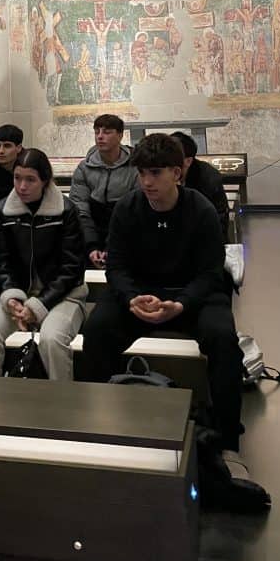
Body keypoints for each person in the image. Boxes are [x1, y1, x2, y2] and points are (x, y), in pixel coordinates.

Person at [80, 134, 244, 455]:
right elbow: (117, 267)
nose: (146, 181)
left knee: (223, 339)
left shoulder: (201, 210)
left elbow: (211, 273)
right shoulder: (128, 208)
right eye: (142, 173)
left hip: (192, 296)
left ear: (176, 173)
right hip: (140, 296)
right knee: (96, 331)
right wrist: (131, 298)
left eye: (155, 173)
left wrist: (181, 303)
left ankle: (226, 439)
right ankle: (102, 423)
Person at [0, 148, 87, 381]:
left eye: (30, 180)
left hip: (63, 296)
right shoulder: (3, 210)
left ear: (45, 181)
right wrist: (11, 298)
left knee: (52, 339)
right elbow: (1, 262)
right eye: (17, 178)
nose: (22, 186)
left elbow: (71, 269)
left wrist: (38, 305)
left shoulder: (66, 211)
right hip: (17, 295)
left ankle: (63, 399)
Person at [69, 114, 137, 268]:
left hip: (125, 231)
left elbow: (133, 210)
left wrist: (110, 247)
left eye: (107, 132)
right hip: (92, 227)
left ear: (120, 135)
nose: (100, 136)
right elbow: (80, 209)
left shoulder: (134, 168)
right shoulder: (84, 168)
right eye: (96, 132)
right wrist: (91, 246)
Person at [170, 131, 230, 241]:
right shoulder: (156, 176)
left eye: (173, 159)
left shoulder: (209, 179)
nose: (167, 164)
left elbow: (218, 224)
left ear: (188, 161)